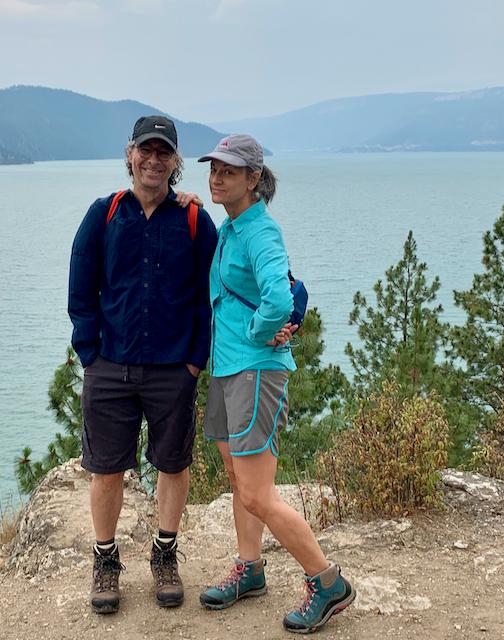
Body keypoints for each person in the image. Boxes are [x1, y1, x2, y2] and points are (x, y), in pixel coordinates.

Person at [196, 134, 356, 633]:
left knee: (259, 494)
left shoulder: (261, 232)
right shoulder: (231, 226)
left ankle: (327, 582)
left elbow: (280, 300)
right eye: (214, 168)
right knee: (241, 484)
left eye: (229, 170)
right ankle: (251, 569)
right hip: (227, 369)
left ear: (253, 179)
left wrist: (256, 334)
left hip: (255, 371)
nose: (217, 177)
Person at [68, 115, 218, 613]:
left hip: (173, 368)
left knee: (172, 463)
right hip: (110, 366)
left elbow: (208, 297)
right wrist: (90, 355)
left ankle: (164, 554)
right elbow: (81, 287)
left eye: (164, 152)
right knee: (106, 469)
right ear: (130, 153)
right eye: (146, 151)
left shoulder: (195, 222)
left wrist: (195, 362)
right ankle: (106, 563)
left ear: (175, 162)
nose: (154, 160)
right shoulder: (104, 214)